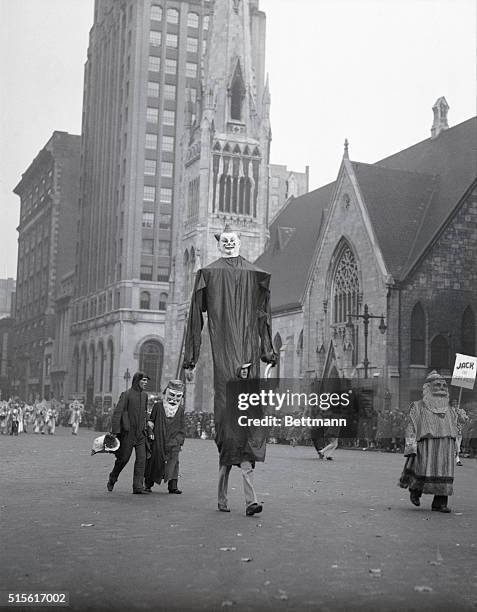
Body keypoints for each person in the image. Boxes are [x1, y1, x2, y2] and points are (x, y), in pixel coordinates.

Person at [183, 226, 277, 516]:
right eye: (225, 240)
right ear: (219, 243)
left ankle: (250, 500)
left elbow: (263, 315)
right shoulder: (208, 275)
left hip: (243, 357)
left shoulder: (255, 276)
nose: (229, 243)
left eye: (233, 240)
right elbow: (194, 319)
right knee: (228, 444)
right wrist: (191, 360)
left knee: (245, 440)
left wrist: (267, 353)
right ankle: (222, 497)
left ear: (239, 242)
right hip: (226, 365)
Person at [399, 370, 457, 513]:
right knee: (421, 470)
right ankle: (415, 491)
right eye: (437, 385)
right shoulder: (418, 407)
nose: (442, 388)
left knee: (445, 474)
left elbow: (455, 428)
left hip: (446, 447)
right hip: (426, 446)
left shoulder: (450, 410)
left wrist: (456, 444)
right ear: (427, 388)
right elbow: (411, 426)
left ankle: (440, 503)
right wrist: (411, 446)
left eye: (444, 385)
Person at [107, 371, 150, 494]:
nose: (145, 383)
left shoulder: (145, 396)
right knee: (123, 459)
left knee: (141, 460)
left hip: (141, 434)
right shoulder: (126, 394)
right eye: (143, 380)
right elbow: (118, 413)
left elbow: (145, 413)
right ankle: (113, 477)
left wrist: (148, 424)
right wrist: (115, 431)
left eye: (146, 381)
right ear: (137, 381)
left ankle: (137, 487)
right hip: (128, 433)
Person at [144, 380, 186, 494]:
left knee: (174, 463)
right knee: (154, 461)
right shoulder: (158, 406)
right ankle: (148, 484)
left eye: (178, 396)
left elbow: (182, 427)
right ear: (167, 393)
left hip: (173, 441)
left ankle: (173, 486)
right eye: (172, 395)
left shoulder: (181, 410)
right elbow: (151, 421)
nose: (174, 399)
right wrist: (150, 429)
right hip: (158, 440)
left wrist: (179, 441)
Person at [450, 400, 469, 466]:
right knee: (457, 446)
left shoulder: (461, 411)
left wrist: (459, 414)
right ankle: (457, 460)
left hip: (459, 432)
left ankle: (457, 460)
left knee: (457, 446)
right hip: (451, 432)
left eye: (456, 403)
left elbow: (464, 421)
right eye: (453, 403)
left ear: (458, 404)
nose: (455, 404)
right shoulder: (449, 411)